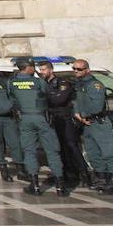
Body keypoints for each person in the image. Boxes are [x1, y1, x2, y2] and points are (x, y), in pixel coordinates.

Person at [8, 59, 67, 197]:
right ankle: (60, 186)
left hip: (25, 119)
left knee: (29, 152)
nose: (35, 69)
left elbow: (12, 100)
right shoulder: (38, 82)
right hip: (41, 118)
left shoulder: (11, 83)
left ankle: (35, 186)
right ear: (27, 68)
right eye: (33, 67)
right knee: (52, 151)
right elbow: (49, 96)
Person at [73, 59, 113, 195]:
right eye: (74, 69)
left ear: (87, 70)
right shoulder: (79, 84)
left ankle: (112, 181)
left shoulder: (95, 85)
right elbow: (76, 101)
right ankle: (101, 179)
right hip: (86, 124)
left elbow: (97, 106)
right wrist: (77, 114)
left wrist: (83, 114)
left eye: (79, 69)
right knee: (93, 153)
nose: (76, 71)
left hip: (99, 122)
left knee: (108, 152)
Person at [37, 60, 88, 189]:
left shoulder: (62, 82)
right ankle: (65, 174)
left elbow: (60, 99)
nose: (42, 72)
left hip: (65, 119)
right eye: (40, 70)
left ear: (50, 70)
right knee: (58, 148)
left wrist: (45, 97)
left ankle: (84, 174)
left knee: (71, 146)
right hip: (52, 119)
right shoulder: (42, 84)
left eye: (44, 69)